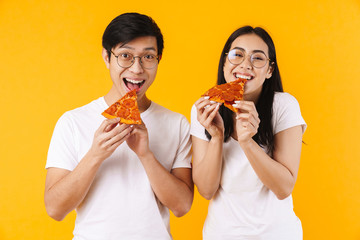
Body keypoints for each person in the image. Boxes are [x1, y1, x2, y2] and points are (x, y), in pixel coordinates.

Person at [44, 12, 193, 240]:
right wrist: (95, 154)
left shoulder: (177, 123)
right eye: (125, 56)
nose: (136, 69)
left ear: (158, 59)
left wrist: (145, 155)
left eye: (148, 57)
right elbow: (54, 209)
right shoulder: (72, 122)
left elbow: (182, 206)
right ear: (106, 57)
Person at [191, 26, 306, 240]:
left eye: (258, 58)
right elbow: (206, 190)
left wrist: (247, 142)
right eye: (237, 55)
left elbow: (283, 188)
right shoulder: (204, 109)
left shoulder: (284, 106)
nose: (245, 65)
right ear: (225, 62)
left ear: (270, 70)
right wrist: (216, 136)